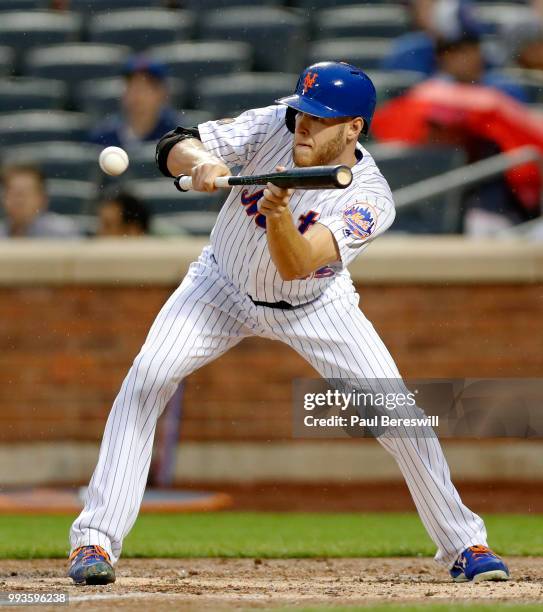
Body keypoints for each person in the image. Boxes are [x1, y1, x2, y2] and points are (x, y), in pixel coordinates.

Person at [67, 61, 510, 585]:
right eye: (303, 112)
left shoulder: (369, 196)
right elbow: (173, 144)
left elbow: (298, 264)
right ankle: (93, 543)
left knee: (399, 417)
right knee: (147, 377)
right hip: (219, 286)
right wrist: (203, 160)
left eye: (320, 119)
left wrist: (279, 213)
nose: (303, 124)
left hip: (316, 307)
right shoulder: (273, 122)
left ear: (353, 129)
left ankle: (464, 543)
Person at [89, 55, 179, 150]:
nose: (137, 95)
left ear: (161, 93)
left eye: (145, 88)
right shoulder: (104, 136)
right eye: (131, 87)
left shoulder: (177, 136)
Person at [0, 164, 80, 238]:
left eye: (24, 193)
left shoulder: (63, 232)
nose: (19, 201)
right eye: (13, 193)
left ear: (43, 198)